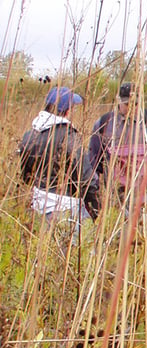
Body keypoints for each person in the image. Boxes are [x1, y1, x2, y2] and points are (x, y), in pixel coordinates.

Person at [88, 82, 147, 229]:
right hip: (116, 195)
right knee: (118, 237)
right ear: (118, 100)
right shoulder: (104, 123)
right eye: (126, 104)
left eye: (136, 104)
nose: (131, 108)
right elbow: (93, 161)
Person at [18, 86, 101, 240]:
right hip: (65, 209)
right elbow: (86, 179)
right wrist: (96, 209)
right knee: (87, 250)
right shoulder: (69, 137)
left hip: (37, 208)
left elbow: (26, 177)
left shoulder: (30, 135)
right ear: (68, 110)